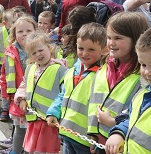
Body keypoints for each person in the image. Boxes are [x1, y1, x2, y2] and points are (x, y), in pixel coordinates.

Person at [87, 12, 149, 154]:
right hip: (101, 141)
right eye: (109, 37)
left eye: (118, 38)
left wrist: (114, 122)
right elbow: (94, 103)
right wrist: (93, 134)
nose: (111, 43)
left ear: (136, 39)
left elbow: (139, 111)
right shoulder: (105, 67)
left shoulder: (143, 75)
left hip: (122, 146)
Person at [46, 22, 107, 154]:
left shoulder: (102, 76)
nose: (84, 53)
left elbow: (99, 108)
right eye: (81, 48)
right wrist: (53, 112)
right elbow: (63, 95)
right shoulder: (72, 71)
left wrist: (96, 136)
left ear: (103, 49)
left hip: (85, 140)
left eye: (91, 49)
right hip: (67, 133)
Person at [14, 30, 67, 154]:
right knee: (31, 149)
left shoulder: (60, 70)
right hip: (33, 117)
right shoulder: (31, 68)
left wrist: (57, 113)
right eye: (34, 53)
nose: (38, 55)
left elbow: (65, 92)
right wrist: (21, 98)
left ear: (49, 48)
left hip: (49, 120)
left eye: (41, 50)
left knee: (46, 150)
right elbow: (24, 85)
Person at [105, 28, 151, 154]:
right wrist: (118, 133)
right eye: (144, 65)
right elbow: (131, 119)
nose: (147, 72)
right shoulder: (142, 95)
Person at [0, 16, 38, 154]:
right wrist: (5, 95)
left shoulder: (41, 50)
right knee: (20, 129)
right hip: (16, 98)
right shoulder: (10, 52)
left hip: (36, 99)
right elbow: (4, 75)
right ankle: (15, 151)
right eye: (20, 31)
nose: (25, 34)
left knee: (34, 131)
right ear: (14, 34)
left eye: (29, 30)